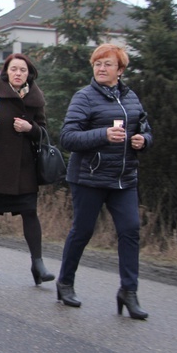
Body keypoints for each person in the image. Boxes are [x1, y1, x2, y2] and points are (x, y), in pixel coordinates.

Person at [56, 44, 152, 320]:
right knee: (83, 231)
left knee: (130, 230)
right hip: (89, 177)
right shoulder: (84, 97)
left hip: (124, 179)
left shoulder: (131, 98)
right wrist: (103, 135)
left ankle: (128, 292)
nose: (100, 68)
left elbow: (145, 129)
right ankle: (65, 283)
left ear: (120, 70)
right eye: (97, 64)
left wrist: (142, 141)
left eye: (107, 64)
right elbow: (68, 137)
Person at [0, 53, 55, 284]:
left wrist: (30, 127)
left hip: (23, 167)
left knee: (30, 212)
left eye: (22, 70)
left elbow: (44, 132)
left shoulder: (36, 97)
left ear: (29, 73)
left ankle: (38, 263)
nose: (18, 73)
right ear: (6, 71)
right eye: (14, 69)